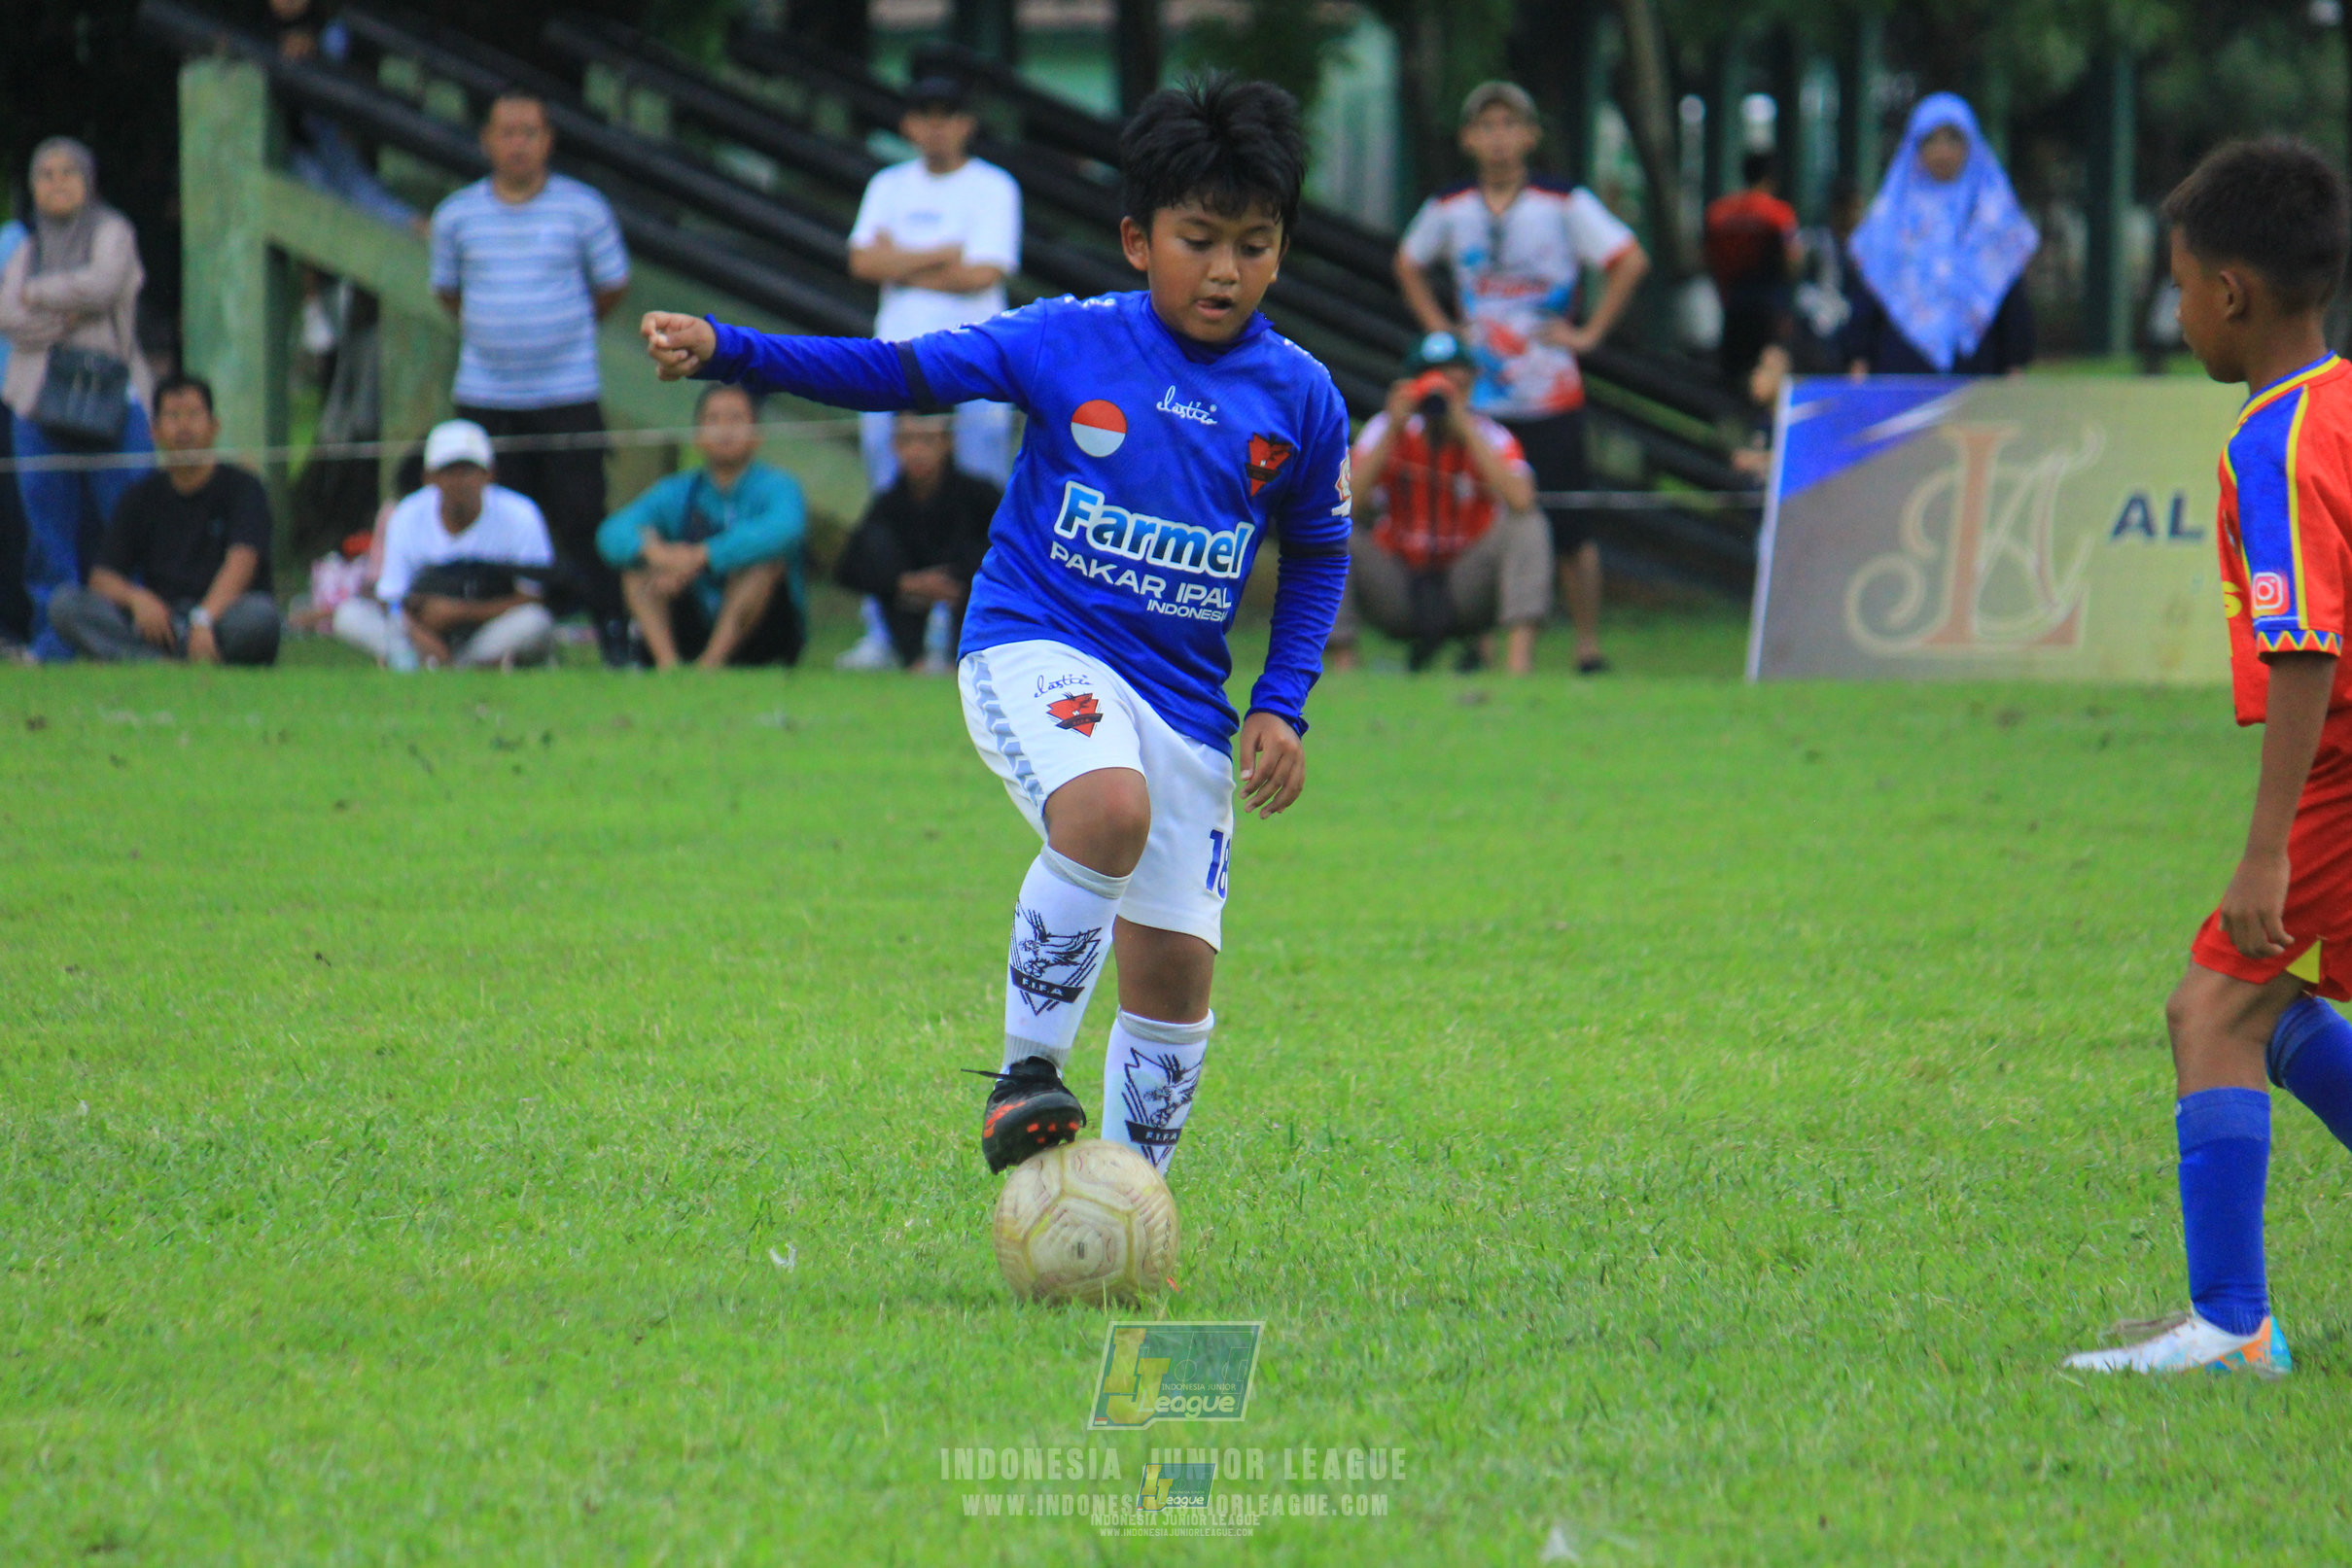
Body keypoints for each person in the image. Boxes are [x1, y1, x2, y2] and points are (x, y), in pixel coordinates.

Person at [642, 77, 1351, 1180]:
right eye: (1198, 239)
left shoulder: (1301, 397)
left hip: (1183, 695)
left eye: (1255, 245)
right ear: (1135, 238)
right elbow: (894, 371)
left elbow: (1318, 549)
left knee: (1172, 976)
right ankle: (1025, 1076)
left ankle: (1124, 1202)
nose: (1225, 270)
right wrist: (731, 348)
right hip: (1038, 637)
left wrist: (1279, 700)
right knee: (1105, 806)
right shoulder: (1063, 341)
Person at [2062, 139, 2352, 1377]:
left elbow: (2306, 647)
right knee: (2258, 1004)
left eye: (2176, 288)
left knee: (2212, 1004)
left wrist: (2262, 847)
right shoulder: (2344, 402)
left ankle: (2233, 1324)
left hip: (2337, 776)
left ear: (2230, 292)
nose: (2173, 312)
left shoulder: (2275, 440)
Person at [1395, 81, 1648, 677]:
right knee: (1480, 517)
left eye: (1510, 125)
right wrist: (1444, 334)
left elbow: (1628, 260)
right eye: (1486, 127)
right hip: (1478, 397)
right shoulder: (1450, 207)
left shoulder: (1563, 203)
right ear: (1467, 139)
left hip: (1549, 391)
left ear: (1531, 135)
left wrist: (1587, 336)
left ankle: (1586, 643)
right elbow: (1407, 262)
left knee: (1568, 519)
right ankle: (1483, 643)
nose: (1499, 139)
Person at [430, 90, 632, 664]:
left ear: (548, 141)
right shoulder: (456, 215)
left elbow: (613, 285)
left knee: (582, 517)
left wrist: (558, 331)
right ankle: (501, 637)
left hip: (567, 392)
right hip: (485, 393)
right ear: (486, 141)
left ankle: (612, 634)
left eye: (530, 132)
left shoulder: (584, 209)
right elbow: (448, 292)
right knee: (493, 517)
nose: (518, 143)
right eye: (507, 132)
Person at [836, 74, 1023, 673]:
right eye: (925, 114)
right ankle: (884, 631)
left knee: (980, 495)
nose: (937, 127)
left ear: (968, 122)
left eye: (949, 114)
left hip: (975, 365)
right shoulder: (887, 184)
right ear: (908, 125)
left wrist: (903, 262)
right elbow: (864, 261)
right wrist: (944, 251)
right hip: (895, 364)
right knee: (887, 494)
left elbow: (983, 274)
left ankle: (982, 627)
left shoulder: (995, 187)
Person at [0, 138, 156, 662]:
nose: (58, 182)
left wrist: (39, 295)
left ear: (89, 181)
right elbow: (6, 315)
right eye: (45, 173)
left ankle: (129, 636)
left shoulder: (113, 232)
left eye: (69, 172)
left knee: (125, 519)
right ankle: (54, 641)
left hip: (110, 399)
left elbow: (105, 284)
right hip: (38, 404)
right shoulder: (25, 245)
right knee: (47, 529)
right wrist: (60, 314)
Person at [1326, 331, 1548, 676]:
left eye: (1455, 384)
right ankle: (1344, 667)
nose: (1441, 396)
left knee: (1528, 524)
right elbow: (1343, 506)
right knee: (1329, 533)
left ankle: (1518, 666)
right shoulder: (1385, 429)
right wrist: (1394, 428)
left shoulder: (1488, 434)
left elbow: (1521, 500)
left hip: (1465, 581)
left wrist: (1463, 424)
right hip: (1399, 581)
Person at [48, 373, 280, 664]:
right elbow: (102, 577)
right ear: (154, 431)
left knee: (260, 616)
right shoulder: (141, 496)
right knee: (66, 604)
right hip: (161, 626)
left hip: (221, 619)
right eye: (173, 416)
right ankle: (153, 662)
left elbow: (243, 561)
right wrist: (137, 599)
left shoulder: (244, 487)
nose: (184, 426)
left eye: (194, 415)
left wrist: (204, 619)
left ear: (214, 426)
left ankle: (178, 656)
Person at [595, 382, 807, 670]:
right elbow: (611, 533)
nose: (724, 430)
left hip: (766, 631)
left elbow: (785, 529)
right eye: (713, 419)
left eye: (736, 419)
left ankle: (710, 665)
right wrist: (661, 556)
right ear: (697, 435)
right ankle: (668, 667)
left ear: (757, 434)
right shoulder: (678, 490)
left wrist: (701, 558)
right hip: (692, 618)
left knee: (762, 563)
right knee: (639, 562)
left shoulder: (778, 487)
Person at [1842, 94, 2038, 377]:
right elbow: (1873, 288)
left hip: (1977, 369)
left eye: (1953, 139)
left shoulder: (1991, 214)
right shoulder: (1891, 217)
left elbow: (2007, 292)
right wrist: (1858, 355)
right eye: (1930, 140)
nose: (1942, 151)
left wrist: (2014, 360)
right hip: (1901, 367)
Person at [341, 419, 558, 670]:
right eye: (448, 471)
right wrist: (422, 635)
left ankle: (447, 664)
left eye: (468, 470)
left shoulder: (521, 515)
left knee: (534, 622)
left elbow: (532, 599)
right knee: (350, 615)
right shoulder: (407, 514)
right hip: (420, 631)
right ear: (429, 478)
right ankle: (436, 661)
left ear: (489, 474)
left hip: (487, 631)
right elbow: (391, 599)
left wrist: (460, 612)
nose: (459, 481)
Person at [831, 412, 1000, 672]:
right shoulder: (889, 504)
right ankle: (912, 660)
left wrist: (950, 581)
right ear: (895, 446)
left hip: (968, 605)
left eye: (927, 439)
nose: (917, 451)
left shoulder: (980, 494)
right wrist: (906, 583)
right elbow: (849, 567)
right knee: (879, 552)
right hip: (910, 611)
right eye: (908, 440)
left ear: (948, 442)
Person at [1703, 151, 1799, 392]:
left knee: (1733, 374)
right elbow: (1792, 259)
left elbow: (1708, 257)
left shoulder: (1718, 213)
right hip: (1769, 305)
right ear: (1771, 178)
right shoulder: (1778, 214)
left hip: (1734, 302)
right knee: (1771, 366)